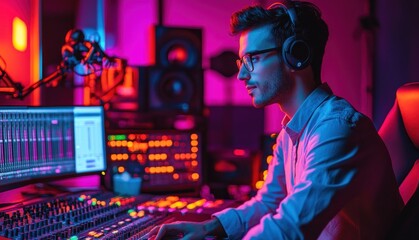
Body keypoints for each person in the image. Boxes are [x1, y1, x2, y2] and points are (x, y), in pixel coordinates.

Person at [148, 1, 403, 239]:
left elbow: (289, 229)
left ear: (296, 55)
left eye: (252, 59)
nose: (240, 75)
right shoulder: (290, 132)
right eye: (241, 61)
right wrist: (209, 227)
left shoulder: (337, 129)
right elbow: (269, 203)